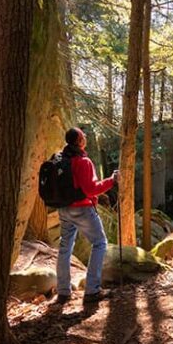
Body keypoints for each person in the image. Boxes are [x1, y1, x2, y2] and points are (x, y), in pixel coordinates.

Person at [56, 127, 119, 304]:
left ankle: (63, 292)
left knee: (65, 247)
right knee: (99, 243)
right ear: (79, 141)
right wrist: (112, 181)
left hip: (64, 209)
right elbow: (91, 189)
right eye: (83, 136)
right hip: (82, 209)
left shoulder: (62, 159)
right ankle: (92, 290)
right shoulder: (83, 161)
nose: (85, 137)